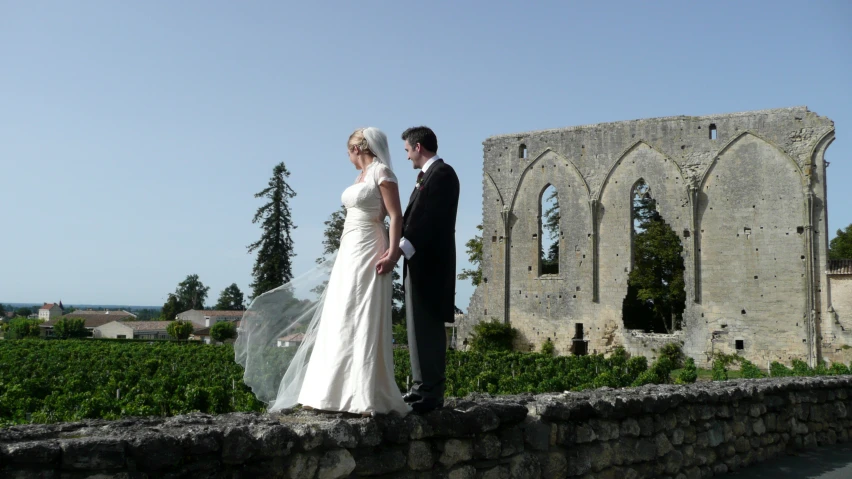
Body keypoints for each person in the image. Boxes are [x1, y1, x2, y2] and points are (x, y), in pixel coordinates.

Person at [235, 127, 410, 417]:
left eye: (348, 151)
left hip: (369, 245)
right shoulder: (360, 177)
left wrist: (392, 253)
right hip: (350, 247)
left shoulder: (382, 173)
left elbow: (395, 215)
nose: (348, 157)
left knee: (362, 312)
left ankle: (362, 392)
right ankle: (329, 391)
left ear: (357, 148)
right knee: (340, 312)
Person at [381, 126, 459, 413]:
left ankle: (430, 393)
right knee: (416, 327)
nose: (406, 157)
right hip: (420, 263)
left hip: (432, 265)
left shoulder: (443, 174)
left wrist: (398, 251)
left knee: (427, 326)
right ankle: (419, 388)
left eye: (407, 151)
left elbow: (429, 220)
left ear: (418, 147)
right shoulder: (429, 176)